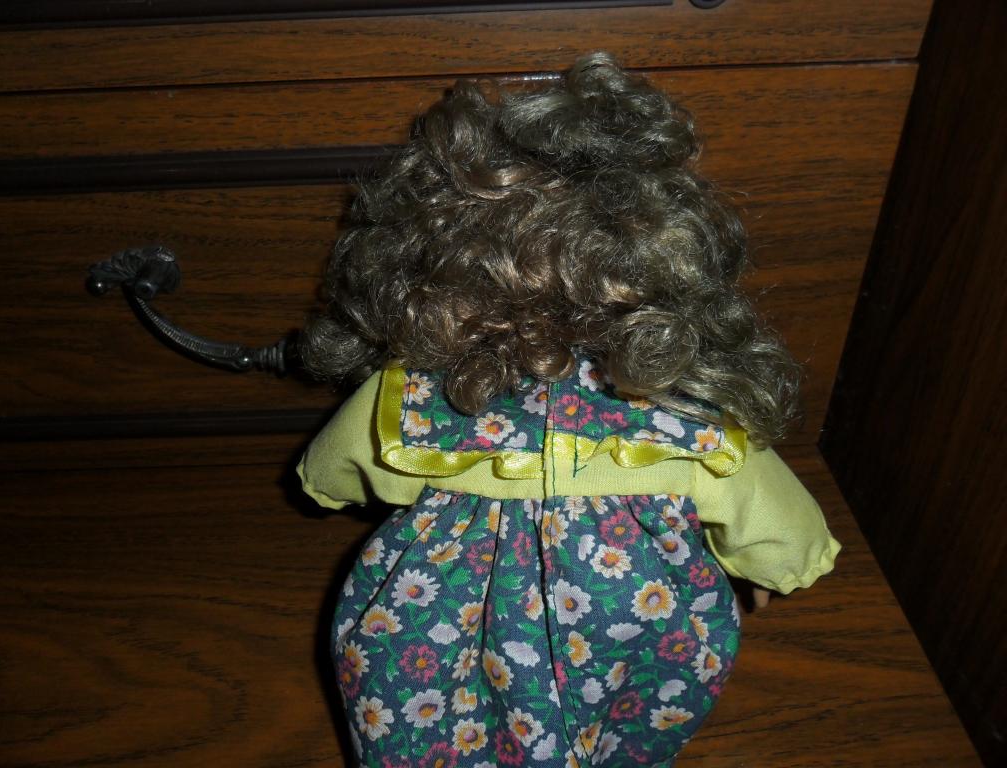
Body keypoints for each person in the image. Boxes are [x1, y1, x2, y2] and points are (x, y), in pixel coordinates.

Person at [297, 52, 841, 768]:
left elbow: (341, 464)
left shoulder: (425, 397)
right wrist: (778, 564)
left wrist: (328, 485)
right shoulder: (678, 417)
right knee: (622, 694)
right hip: (625, 619)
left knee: (415, 682)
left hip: (450, 615)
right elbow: (763, 506)